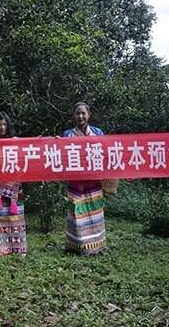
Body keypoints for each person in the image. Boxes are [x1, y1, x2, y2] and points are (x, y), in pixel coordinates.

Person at [61, 102, 106, 255]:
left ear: (89, 115)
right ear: (73, 116)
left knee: (95, 210)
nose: (80, 116)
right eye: (77, 113)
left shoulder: (98, 132)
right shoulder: (67, 134)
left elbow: (106, 153)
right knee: (76, 211)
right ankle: (76, 245)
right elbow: (62, 155)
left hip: (93, 181)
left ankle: (96, 245)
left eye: (83, 113)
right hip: (76, 181)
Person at [0, 112, 27, 257]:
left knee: (14, 216)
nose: (1, 127)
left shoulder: (15, 141)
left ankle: (17, 247)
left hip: (14, 184)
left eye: (4, 124)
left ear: (8, 125)